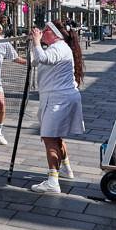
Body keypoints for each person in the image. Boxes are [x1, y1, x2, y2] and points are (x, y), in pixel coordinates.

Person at [27, 21, 86, 193]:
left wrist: (36, 42)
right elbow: (39, 60)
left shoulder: (59, 47)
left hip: (59, 99)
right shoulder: (57, 48)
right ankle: (66, 169)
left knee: (49, 137)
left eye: (46, 30)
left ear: (55, 34)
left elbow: (44, 58)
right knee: (56, 137)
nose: (43, 32)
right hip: (58, 98)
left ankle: (53, 181)